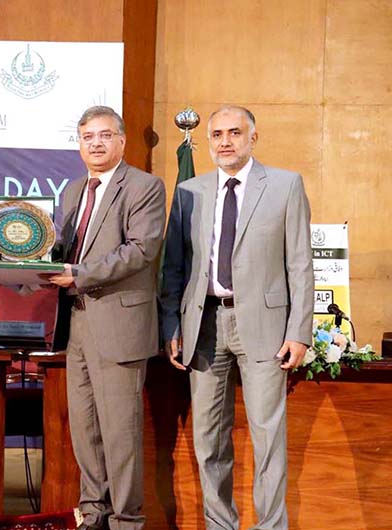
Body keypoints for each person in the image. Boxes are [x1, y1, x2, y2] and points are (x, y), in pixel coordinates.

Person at [159, 105, 314, 530]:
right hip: (203, 326)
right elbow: (174, 267)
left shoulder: (284, 185)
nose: (224, 142)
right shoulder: (190, 190)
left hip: (265, 328)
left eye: (234, 133)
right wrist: (171, 324)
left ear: (253, 138)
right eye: (217, 135)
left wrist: (300, 331)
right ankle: (219, 524)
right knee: (209, 438)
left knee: (267, 438)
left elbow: (300, 264)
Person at [46, 105, 166, 530]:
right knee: (85, 430)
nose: (95, 143)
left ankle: (127, 520)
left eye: (104, 135)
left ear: (121, 141)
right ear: (79, 145)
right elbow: (62, 249)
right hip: (77, 324)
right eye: (87, 137)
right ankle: (93, 514)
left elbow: (140, 249)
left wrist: (77, 275)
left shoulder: (145, 187)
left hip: (119, 325)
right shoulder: (75, 189)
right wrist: (28, 267)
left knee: (120, 434)